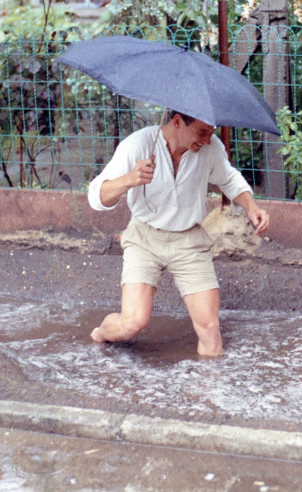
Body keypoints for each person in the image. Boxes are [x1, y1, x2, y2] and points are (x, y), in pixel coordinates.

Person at [87, 111, 269, 356]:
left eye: (211, 133)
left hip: (189, 239)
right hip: (145, 238)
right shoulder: (138, 144)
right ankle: (101, 333)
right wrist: (130, 179)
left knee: (210, 328)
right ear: (177, 122)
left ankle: (209, 391)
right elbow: (96, 197)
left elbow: (229, 180)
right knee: (132, 322)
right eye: (201, 132)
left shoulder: (210, 148)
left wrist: (252, 207)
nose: (206, 140)